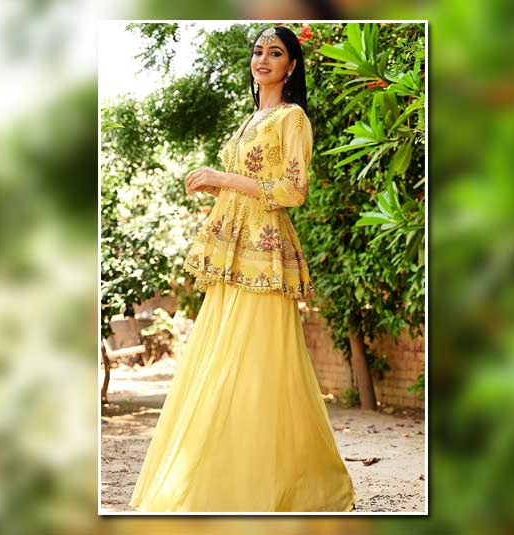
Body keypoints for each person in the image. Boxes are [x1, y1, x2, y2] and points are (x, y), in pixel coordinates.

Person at [128, 25, 357, 513]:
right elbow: (251, 182)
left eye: (275, 52)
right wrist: (218, 185)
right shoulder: (251, 118)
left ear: (291, 66)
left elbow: (294, 190)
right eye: (258, 51)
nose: (263, 59)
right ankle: (221, 475)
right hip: (232, 253)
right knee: (221, 357)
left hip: (264, 255)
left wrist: (225, 177)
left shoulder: (292, 118)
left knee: (258, 364)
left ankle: (279, 485)